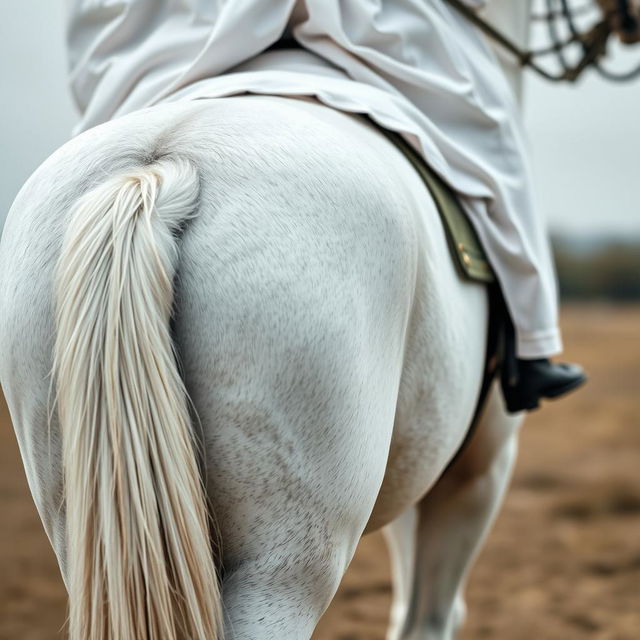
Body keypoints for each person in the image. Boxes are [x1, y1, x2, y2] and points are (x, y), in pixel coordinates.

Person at [64, 0, 586, 411]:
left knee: (103, 127)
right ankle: (531, 341)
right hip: (357, 18)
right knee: (492, 132)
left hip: (179, 28)